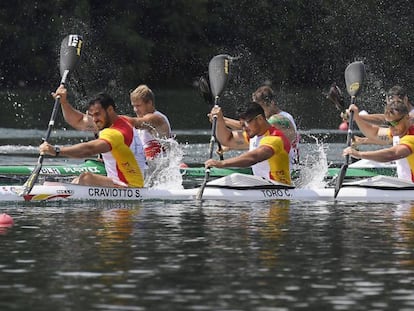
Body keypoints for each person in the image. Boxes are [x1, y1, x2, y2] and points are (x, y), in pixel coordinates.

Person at [40, 90, 146, 187]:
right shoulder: (123, 120)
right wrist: (64, 102)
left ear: (110, 109)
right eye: (92, 115)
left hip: (129, 187)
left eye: (97, 114)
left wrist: (56, 151)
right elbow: (78, 120)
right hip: (129, 183)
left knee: (86, 178)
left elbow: (89, 149)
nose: (94, 120)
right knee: (77, 179)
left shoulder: (115, 133)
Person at [205, 101, 292, 185]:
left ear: (260, 119)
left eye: (245, 125)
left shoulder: (275, 138)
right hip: (264, 188)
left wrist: (222, 163)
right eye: (241, 125)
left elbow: (253, 158)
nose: (243, 129)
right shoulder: (254, 136)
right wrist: (220, 121)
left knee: (237, 178)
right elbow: (227, 139)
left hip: (280, 191)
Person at [342, 98, 414, 182]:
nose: (391, 127)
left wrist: (359, 154)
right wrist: (357, 117)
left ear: (407, 117)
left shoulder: (411, 136)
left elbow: (393, 154)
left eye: (394, 123)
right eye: (388, 124)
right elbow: (375, 133)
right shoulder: (400, 131)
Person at [128, 84, 172, 160]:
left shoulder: (157, 118)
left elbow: (136, 123)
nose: (135, 109)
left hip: (161, 165)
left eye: (138, 105)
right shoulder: (140, 121)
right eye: (133, 106)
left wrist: (110, 121)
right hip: (148, 163)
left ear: (149, 103)